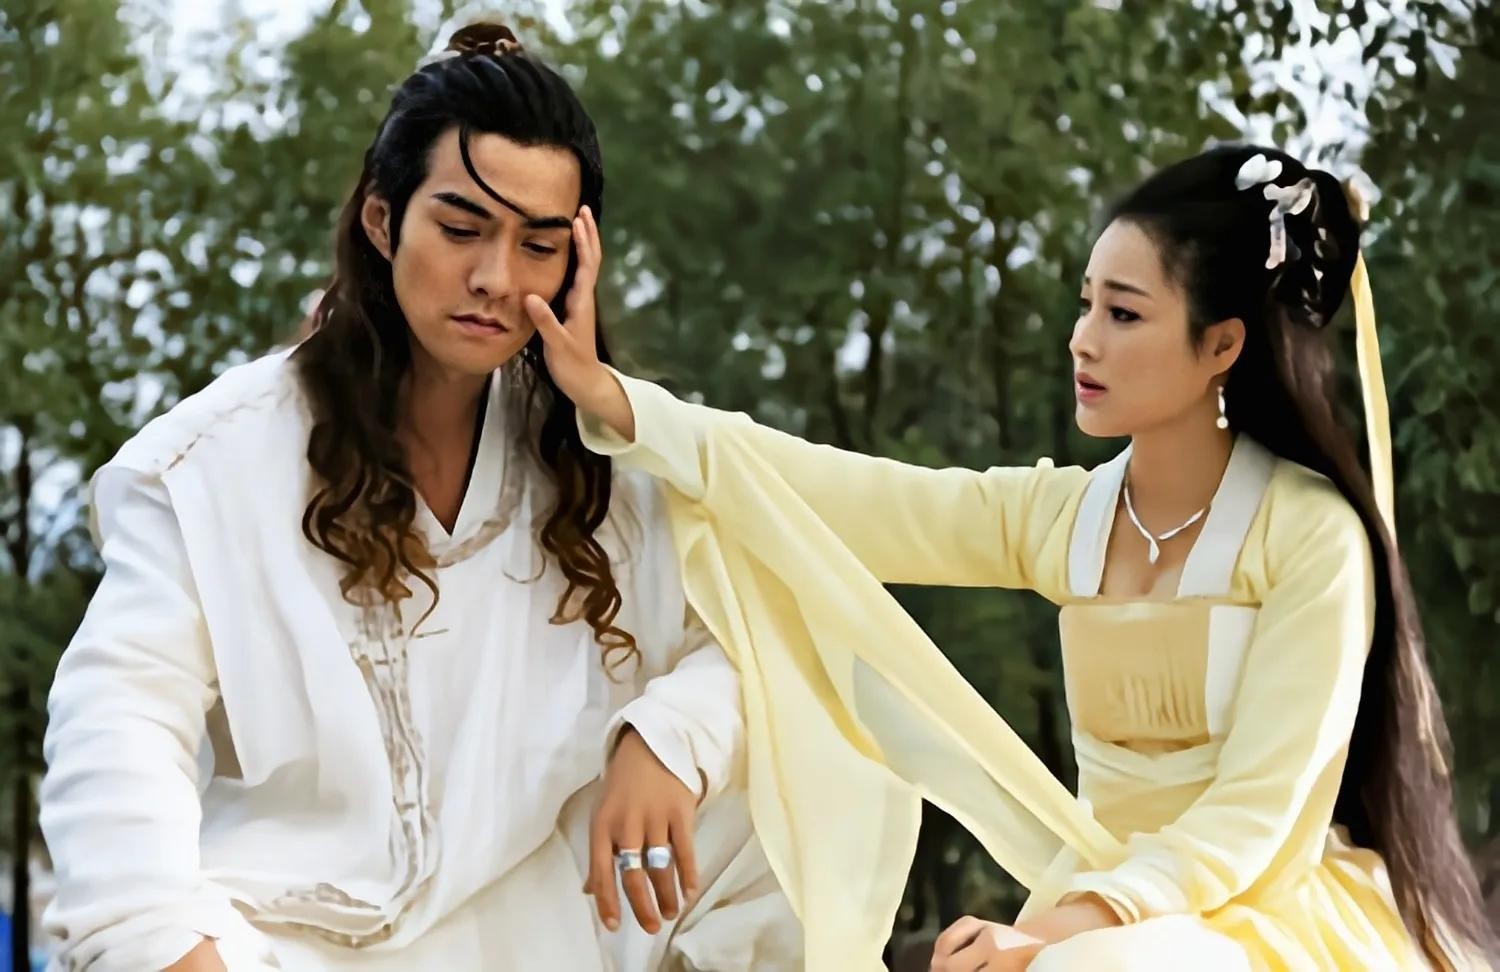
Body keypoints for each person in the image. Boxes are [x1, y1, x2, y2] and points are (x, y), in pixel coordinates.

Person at [531, 145, 1496, 970]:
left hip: (1249, 912)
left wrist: (1071, 926)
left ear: (1222, 345)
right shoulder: (1066, 519)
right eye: (1086, 305)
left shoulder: (1311, 537)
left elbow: (1255, 814)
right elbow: (846, 496)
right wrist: (618, 400)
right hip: (1098, 904)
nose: (1082, 341)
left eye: (1124, 314)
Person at [39, 23, 796, 972]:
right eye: (461, 229)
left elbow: (760, 631)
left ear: (578, 261)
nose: (495, 279)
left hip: (545, 928)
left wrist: (672, 737)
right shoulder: (211, 465)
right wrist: (163, 942)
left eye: (539, 245)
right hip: (288, 939)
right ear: (382, 220)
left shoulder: (610, 463)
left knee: (796, 791)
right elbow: (117, 720)